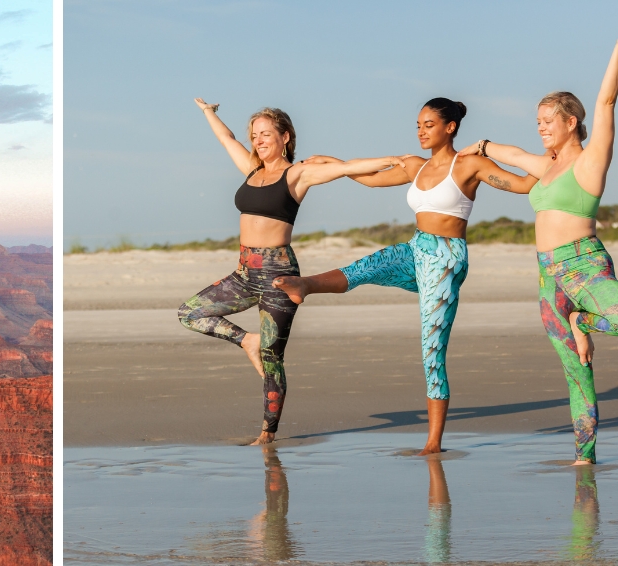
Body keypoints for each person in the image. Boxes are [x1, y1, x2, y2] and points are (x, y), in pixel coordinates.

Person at [271, 98, 536, 455]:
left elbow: (522, 185)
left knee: (431, 349)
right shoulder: (416, 166)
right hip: (417, 248)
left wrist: (547, 161)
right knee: (367, 266)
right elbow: (371, 181)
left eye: (429, 124)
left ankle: (433, 442)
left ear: (450, 127)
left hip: (445, 258)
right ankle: (305, 285)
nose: (421, 131)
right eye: (418, 125)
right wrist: (335, 165)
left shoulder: (470, 164)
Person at [178, 99, 410, 444]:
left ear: (285, 136)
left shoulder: (298, 173)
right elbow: (227, 139)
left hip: (279, 274)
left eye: (266, 134)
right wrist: (209, 113)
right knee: (189, 312)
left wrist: (394, 160)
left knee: (274, 358)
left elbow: (346, 168)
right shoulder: (252, 170)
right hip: (244, 272)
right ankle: (247, 341)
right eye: (255, 135)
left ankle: (266, 434)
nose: (258, 140)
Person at [457, 40, 618, 465]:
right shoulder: (548, 167)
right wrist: (484, 146)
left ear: (571, 121)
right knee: (575, 372)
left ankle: (585, 320)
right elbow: (512, 154)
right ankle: (584, 457)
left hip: (585, 266)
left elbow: (605, 100)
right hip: (548, 279)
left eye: (548, 121)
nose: (541, 127)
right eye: (538, 120)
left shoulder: (590, 161)